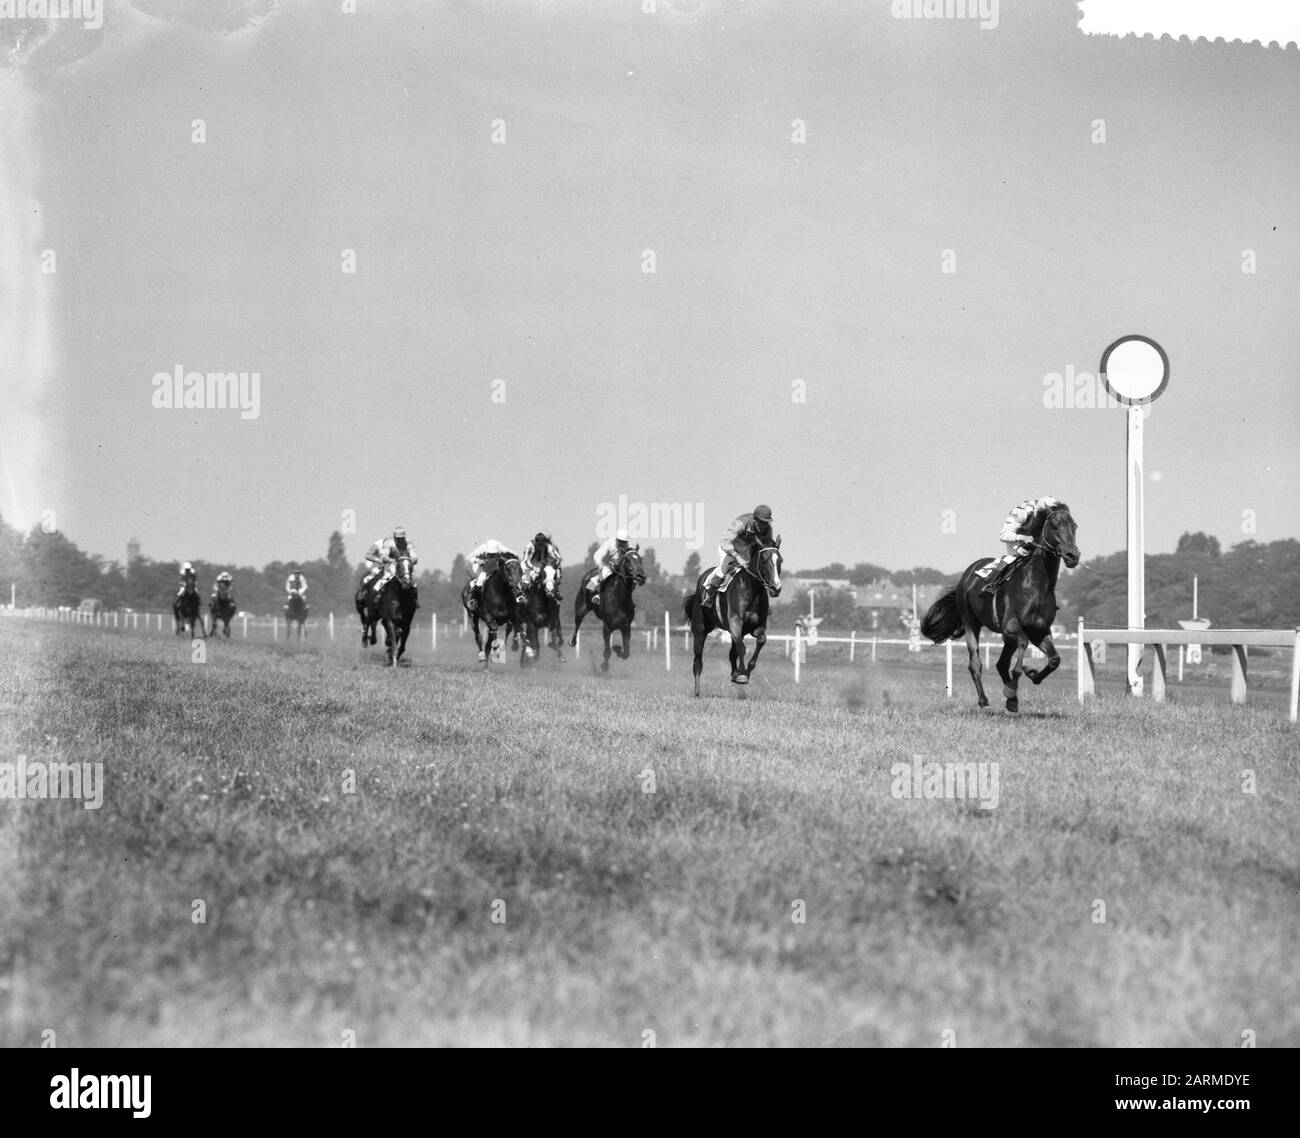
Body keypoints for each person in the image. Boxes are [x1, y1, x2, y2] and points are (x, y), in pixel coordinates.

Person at [980, 496, 1064, 593]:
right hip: (1015, 543)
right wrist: (1022, 538)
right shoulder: (1022, 512)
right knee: (1012, 559)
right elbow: (1003, 535)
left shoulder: (1050, 517)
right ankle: (992, 584)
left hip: (1034, 544)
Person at [699, 505, 775, 605]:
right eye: (761, 522)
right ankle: (709, 595)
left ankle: (761, 604)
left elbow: (766, 548)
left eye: (765, 523)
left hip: (748, 551)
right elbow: (724, 543)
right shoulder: (741, 523)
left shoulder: (767, 529)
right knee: (724, 571)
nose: (763, 526)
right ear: (754, 519)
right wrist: (737, 556)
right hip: (730, 548)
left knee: (760, 573)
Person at [361, 526, 418, 602]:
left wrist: (410, 560)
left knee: (412, 582)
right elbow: (382, 557)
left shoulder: (409, 543)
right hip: (384, 565)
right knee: (381, 578)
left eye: (402, 538)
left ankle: (414, 600)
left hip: (399, 565)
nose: (400, 540)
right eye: (398, 538)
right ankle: (371, 595)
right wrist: (386, 560)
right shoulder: (387, 542)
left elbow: (414, 557)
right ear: (394, 537)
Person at [466, 539, 518, 611]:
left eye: (494, 554)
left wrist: (515, 554)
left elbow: (509, 551)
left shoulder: (500, 547)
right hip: (482, 568)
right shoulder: (481, 549)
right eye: (490, 554)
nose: (492, 556)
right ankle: (474, 600)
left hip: (495, 567)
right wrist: (477, 561)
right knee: (481, 579)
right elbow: (468, 557)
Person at [585, 529, 630, 605]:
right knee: (604, 574)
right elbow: (597, 555)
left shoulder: (628, 545)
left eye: (624, 542)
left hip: (621, 566)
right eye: (621, 542)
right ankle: (594, 593)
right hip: (608, 565)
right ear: (616, 540)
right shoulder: (609, 543)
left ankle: (628, 599)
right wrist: (601, 565)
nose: (623, 544)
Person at [522, 532, 563, 599]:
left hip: (542, 564)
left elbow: (558, 558)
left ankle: (555, 592)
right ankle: (523, 595)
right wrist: (533, 569)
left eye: (542, 545)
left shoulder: (549, 546)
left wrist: (554, 566)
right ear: (536, 543)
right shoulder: (530, 547)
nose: (541, 547)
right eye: (539, 545)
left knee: (550, 572)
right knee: (527, 579)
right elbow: (526, 561)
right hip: (528, 565)